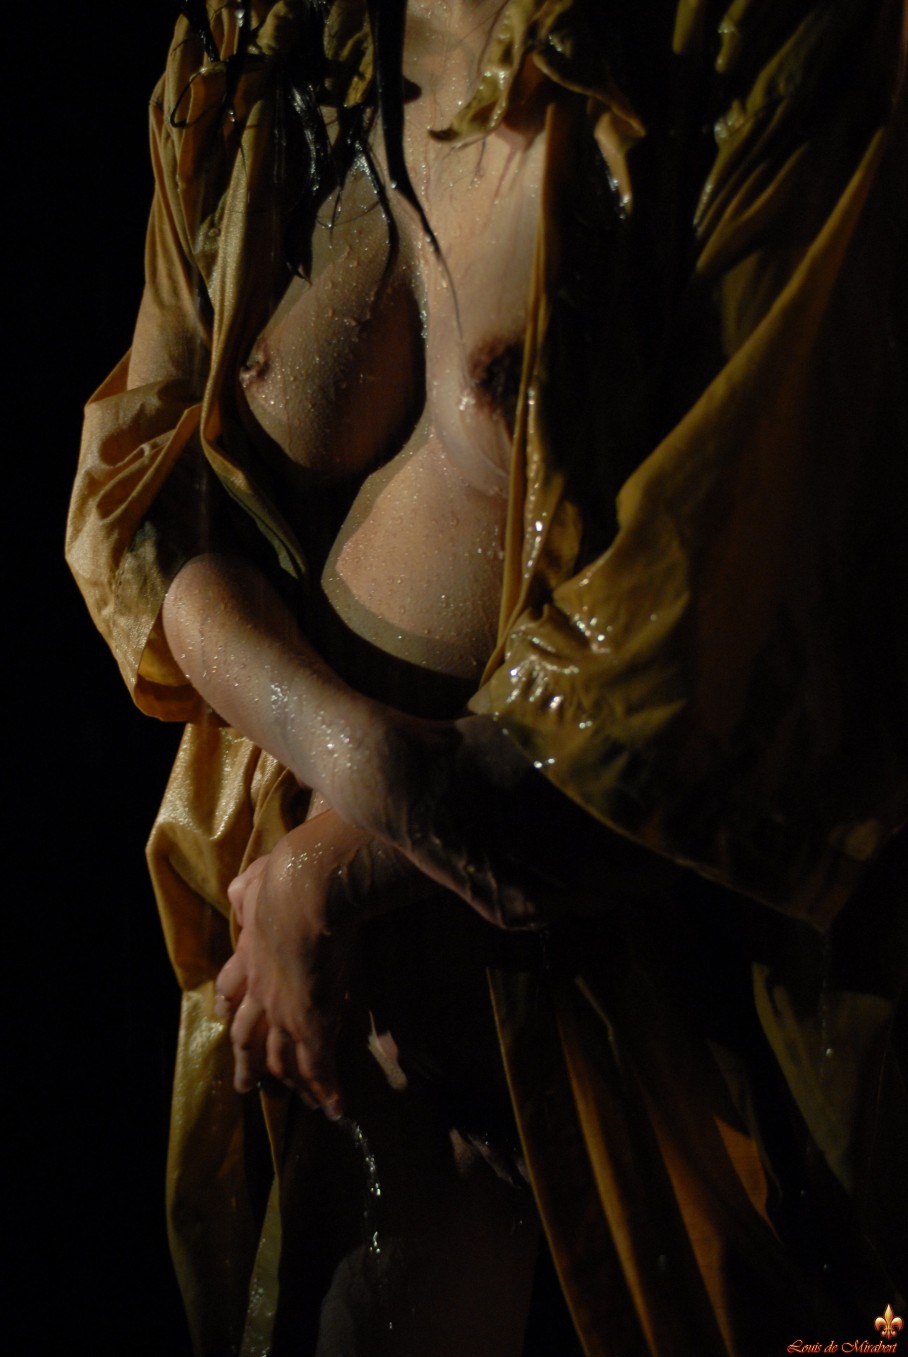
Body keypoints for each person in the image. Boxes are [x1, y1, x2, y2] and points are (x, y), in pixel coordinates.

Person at [67, 0, 908, 1353]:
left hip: (630, 1074)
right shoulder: (259, 43)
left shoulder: (757, 57)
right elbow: (141, 494)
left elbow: (708, 664)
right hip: (310, 1020)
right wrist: (350, 758)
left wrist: (353, 857)